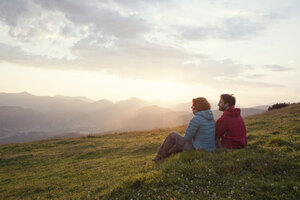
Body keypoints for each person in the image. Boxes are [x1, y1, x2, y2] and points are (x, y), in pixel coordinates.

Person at [152, 97, 216, 161]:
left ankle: (160, 154)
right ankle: (164, 155)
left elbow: (187, 137)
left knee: (173, 135)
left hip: (196, 149)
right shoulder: (211, 118)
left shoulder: (196, 119)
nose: (191, 108)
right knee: (178, 144)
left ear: (197, 107)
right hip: (209, 149)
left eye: (193, 106)